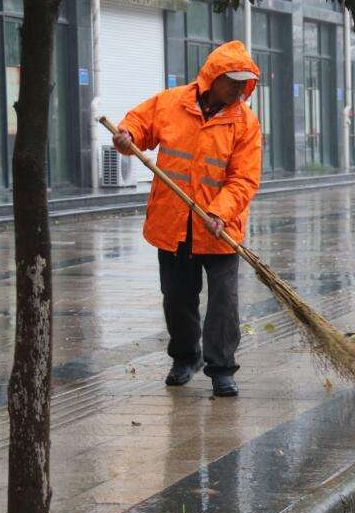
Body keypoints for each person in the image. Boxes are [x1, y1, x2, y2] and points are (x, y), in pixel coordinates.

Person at [112, 41, 261, 397]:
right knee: (177, 297)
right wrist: (127, 135)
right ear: (213, 78)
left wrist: (219, 211)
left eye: (245, 82)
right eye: (233, 81)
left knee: (224, 301)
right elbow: (139, 122)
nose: (240, 89)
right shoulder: (172, 103)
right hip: (174, 223)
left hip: (219, 228)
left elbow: (244, 179)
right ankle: (185, 357)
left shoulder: (245, 123)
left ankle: (222, 367)